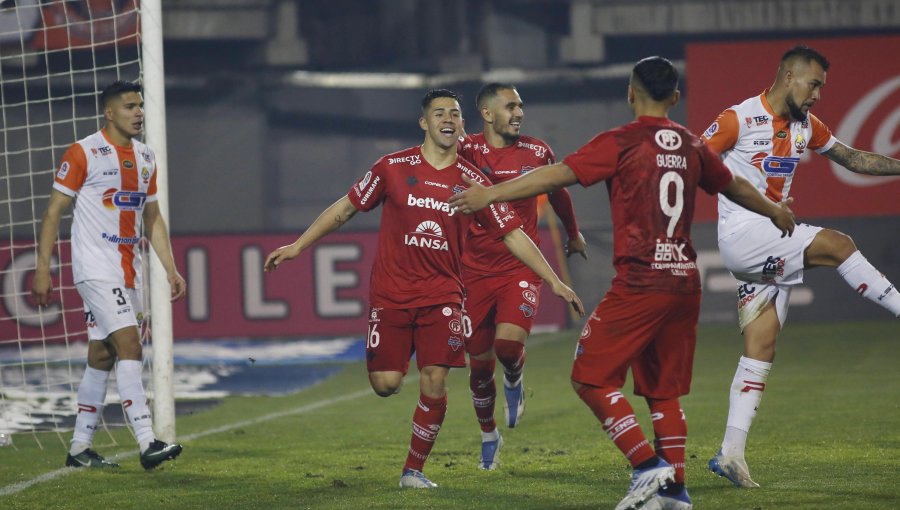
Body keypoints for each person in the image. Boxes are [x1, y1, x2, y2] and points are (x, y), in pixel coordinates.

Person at [449, 56, 795, 510]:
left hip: (641, 280)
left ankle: (646, 466)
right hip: (684, 284)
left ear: (630, 93)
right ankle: (675, 494)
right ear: (675, 97)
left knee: (589, 377)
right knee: (662, 392)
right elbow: (733, 185)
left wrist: (490, 193)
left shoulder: (621, 141)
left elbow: (560, 175)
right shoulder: (693, 145)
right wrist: (774, 209)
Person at [263, 89, 584, 489]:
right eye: (439, 113)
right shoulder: (392, 167)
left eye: (454, 113)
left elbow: (512, 234)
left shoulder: (473, 183)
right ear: (424, 123)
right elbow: (345, 208)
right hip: (391, 295)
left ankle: (413, 471)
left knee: (435, 379)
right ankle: (438, 439)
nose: (448, 119)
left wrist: (554, 280)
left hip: (445, 296)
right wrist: (298, 246)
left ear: (463, 124)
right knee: (387, 384)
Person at [701, 44, 900, 489]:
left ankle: (731, 453)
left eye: (821, 89)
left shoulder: (805, 125)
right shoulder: (738, 118)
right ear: (788, 76)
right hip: (743, 235)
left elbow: (853, 158)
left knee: (761, 347)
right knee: (838, 244)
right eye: (813, 85)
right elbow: (696, 159)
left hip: (766, 244)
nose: (817, 96)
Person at [32, 80, 186, 470]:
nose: (138, 113)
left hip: (127, 271)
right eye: (130, 106)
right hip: (95, 269)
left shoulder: (147, 157)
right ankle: (148, 442)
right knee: (131, 347)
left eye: (140, 106)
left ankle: (79, 448)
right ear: (109, 112)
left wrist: (170, 268)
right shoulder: (83, 153)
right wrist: (42, 269)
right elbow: (53, 212)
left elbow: (152, 218)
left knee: (102, 355)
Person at [457, 83, 588, 471]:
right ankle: (488, 435)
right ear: (487, 113)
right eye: (510, 106)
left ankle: (514, 378)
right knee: (478, 368)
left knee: (507, 348)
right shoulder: (465, 151)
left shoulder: (537, 150)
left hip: (520, 265)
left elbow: (559, 191)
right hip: (473, 271)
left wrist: (573, 231)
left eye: (520, 106)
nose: (519, 112)